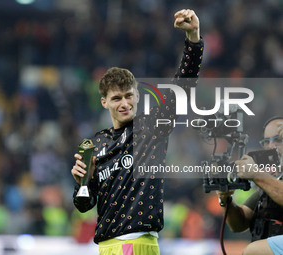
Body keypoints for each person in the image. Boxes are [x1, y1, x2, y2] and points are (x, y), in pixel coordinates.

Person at [71, 9, 204, 255]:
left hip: (138, 242)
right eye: (116, 98)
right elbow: (83, 205)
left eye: (129, 96)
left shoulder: (151, 127)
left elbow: (183, 86)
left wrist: (193, 38)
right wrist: (84, 182)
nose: (124, 103)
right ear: (104, 102)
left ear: (137, 96)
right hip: (105, 246)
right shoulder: (95, 144)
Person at [217, 116, 283, 255]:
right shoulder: (271, 182)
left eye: (278, 140)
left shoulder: (266, 180)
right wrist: (226, 200)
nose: (271, 147)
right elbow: (239, 224)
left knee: (253, 251)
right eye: (266, 142)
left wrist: (255, 174)